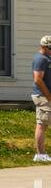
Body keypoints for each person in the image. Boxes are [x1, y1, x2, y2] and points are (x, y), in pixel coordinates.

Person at [31, 34, 51, 162]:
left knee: (45, 124)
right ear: (43, 46)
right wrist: (48, 95)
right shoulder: (41, 59)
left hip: (47, 96)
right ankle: (40, 154)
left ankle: (42, 154)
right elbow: (38, 79)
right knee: (41, 124)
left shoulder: (47, 58)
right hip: (43, 96)